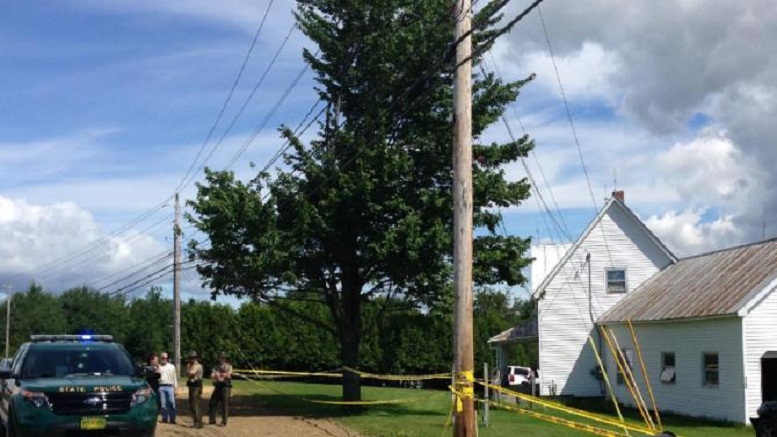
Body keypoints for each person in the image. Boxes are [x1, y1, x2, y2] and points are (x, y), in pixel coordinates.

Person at [209, 352, 232, 426]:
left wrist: (220, 374)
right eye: (220, 358)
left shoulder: (228, 366)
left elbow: (228, 375)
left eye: (223, 358)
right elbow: (212, 375)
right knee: (213, 402)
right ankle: (212, 420)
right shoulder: (216, 367)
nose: (221, 359)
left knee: (224, 404)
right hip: (218, 386)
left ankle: (224, 421)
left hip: (225, 387)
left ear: (225, 359)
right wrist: (217, 375)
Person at [158, 352, 178, 424]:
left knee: (172, 403)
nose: (165, 359)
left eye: (166, 358)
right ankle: (164, 419)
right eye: (163, 358)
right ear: (161, 358)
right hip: (161, 387)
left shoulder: (172, 366)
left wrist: (175, 389)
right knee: (163, 404)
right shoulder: (158, 367)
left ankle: (172, 419)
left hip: (170, 387)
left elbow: (174, 378)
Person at [186, 351, 204, 429]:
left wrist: (189, 369)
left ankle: (198, 423)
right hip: (191, 385)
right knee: (192, 404)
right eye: (190, 358)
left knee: (196, 404)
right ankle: (196, 421)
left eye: (192, 358)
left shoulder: (198, 366)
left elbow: (191, 374)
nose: (191, 359)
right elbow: (188, 374)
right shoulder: (190, 365)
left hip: (197, 386)